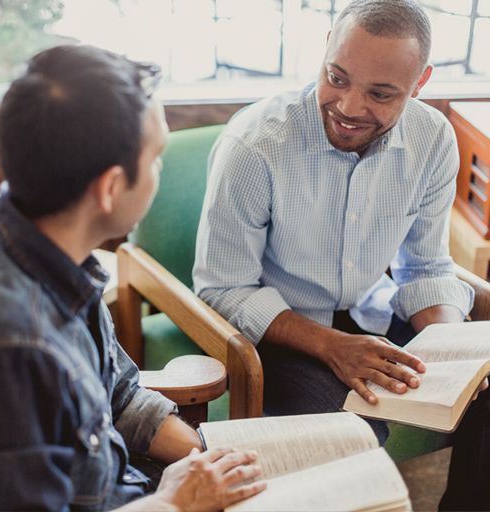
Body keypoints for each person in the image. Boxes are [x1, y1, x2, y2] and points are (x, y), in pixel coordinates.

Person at [193, 0, 490, 509]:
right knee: (350, 434)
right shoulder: (256, 145)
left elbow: (425, 266)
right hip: (281, 328)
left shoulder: (434, 137)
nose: (349, 106)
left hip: (372, 310)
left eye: (380, 93)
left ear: (419, 84)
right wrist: (333, 346)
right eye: (337, 77)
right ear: (328, 46)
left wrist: (446, 346)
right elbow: (223, 288)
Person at [0, 45, 266, 511]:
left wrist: (211, 461)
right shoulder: (12, 348)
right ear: (110, 189)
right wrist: (174, 503)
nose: (160, 170)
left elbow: (121, 394)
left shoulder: (56, 256)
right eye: (156, 157)